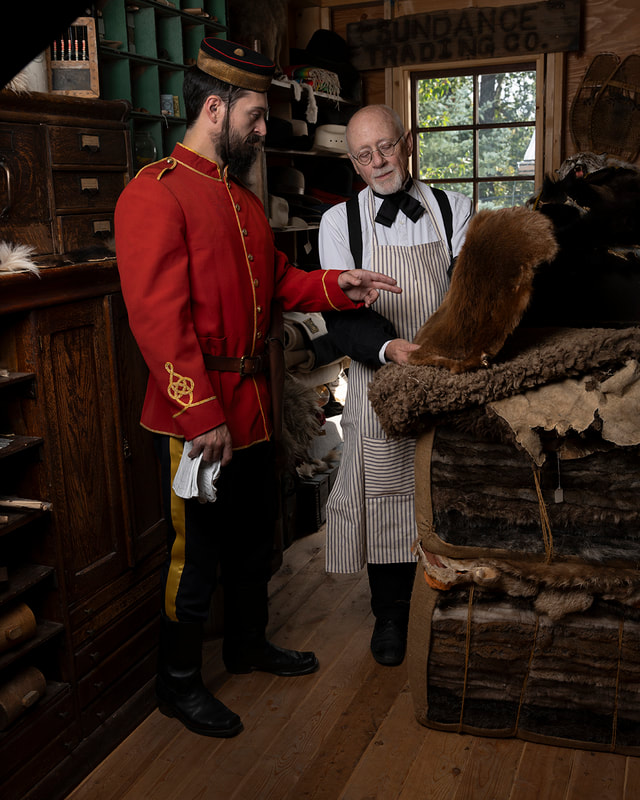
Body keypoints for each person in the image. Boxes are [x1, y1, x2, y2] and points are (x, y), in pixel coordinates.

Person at [114, 40, 401, 739]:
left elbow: (278, 283)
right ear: (214, 109)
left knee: (250, 542)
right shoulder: (152, 194)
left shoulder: (239, 201)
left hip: (252, 407)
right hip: (199, 414)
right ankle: (176, 685)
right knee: (198, 556)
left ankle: (246, 645)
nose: (263, 128)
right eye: (254, 114)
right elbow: (157, 320)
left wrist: (340, 286)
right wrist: (200, 413)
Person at [319, 104, 473, 667]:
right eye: (364, 154)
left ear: (406, 142)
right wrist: (390, 349)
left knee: (446, 489)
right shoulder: (340, 223)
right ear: (353, 162)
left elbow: (465, 291)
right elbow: (343, 315)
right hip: (379, 379)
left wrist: (447, 351)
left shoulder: (452, 208)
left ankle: (449, 606)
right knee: (386, 500)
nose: (378, 161)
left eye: (386, 147)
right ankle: (389, 615)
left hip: (445, 375)